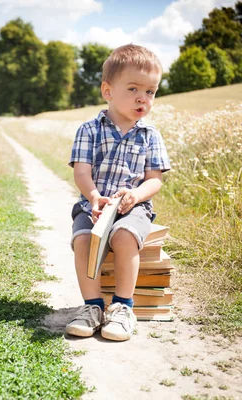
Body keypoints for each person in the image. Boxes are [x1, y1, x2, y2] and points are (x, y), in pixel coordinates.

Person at [65, 44, 171, 341]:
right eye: (134, 88)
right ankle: (92, 307)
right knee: (84, 239)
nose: (143, 97)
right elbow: (81, 171)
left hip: (132, 205)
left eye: (150, 91)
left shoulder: (150, 135)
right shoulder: (90, 129)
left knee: (124, 236)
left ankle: (123, 307)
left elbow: (155, 180)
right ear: (108, 91)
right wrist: (94, 196)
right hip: (94, 204)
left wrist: (136, 196)